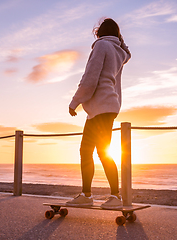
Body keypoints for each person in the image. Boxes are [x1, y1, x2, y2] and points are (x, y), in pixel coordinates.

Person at [67, 18, 131, 209]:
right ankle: (91, 195)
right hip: (107, 107)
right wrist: (121, 39)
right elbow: (128, 52)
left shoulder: (101, 46)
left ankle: (112, 196)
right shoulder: (121, 52)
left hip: (100, 106)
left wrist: (74, 102)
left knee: (96, 152)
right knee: (93, 151)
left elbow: (90, 77)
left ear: (98, 32)